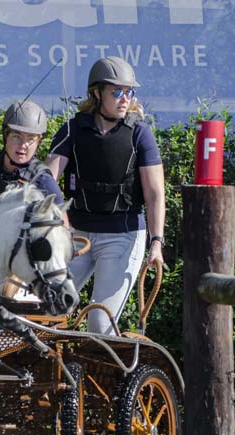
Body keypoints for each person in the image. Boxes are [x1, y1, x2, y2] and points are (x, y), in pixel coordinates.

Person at [44, 56, 165, 335]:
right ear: (96, 93)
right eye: (117, 91)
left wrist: (156, 242)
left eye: (129, 92)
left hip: (122, 236)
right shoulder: (73, 130)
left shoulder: (140, 134)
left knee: (99, 323)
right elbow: (48, 179)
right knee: (49, 309)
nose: (125, 98)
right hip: (77, 236)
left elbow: (155, 194)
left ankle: (108, 376)